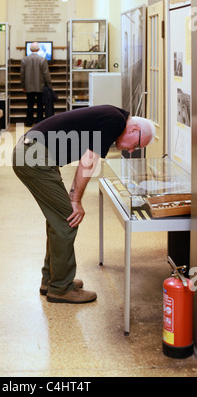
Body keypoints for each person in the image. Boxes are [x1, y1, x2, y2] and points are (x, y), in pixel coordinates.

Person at [12, 105, 155, 304]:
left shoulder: (112, 117)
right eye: (137, 145)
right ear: (134, 130)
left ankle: (52, 279)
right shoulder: (114, 121)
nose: (132, 150)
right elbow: (88, 162)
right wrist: (75, 200)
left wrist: (72, 196)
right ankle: (61, 288)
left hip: (30, 152)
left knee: (58, 218)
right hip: (33, 156)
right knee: (67, 219)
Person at [21, 42, 52, 126]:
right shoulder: (43, 59)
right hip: (40, 87)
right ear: (38, 49)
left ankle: (29, 122)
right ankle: (39, 122)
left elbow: (22, 75)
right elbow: (46, 74)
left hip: (28, 87)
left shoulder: (24, 60)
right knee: (40, 106)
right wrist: (49, 84)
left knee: (30, 105)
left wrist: (23, 86)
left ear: (30, 49)